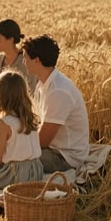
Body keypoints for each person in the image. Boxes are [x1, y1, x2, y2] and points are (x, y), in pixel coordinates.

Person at [22, 34, 89, 173]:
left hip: (64, 157)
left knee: (15, 157)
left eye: (25, 57)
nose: (23, 62)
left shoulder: (58, 91)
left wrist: (14, 145)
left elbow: (43, 141)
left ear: (36, 60)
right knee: (6, 144)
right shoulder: (43, 84)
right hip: (53, 149)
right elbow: (37, 124)